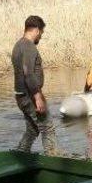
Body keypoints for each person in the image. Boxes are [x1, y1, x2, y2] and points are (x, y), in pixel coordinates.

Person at [11, 15, 57, 155]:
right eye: (41, 33)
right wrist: (37, 97)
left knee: (32, 129)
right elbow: (28, 73)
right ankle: (52, 159)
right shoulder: (29, 46)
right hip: (30, 95)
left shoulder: (18, 45)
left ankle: (21, 155)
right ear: (37, 30)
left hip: (21, 95)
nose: (41, 37)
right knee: (47, 127)